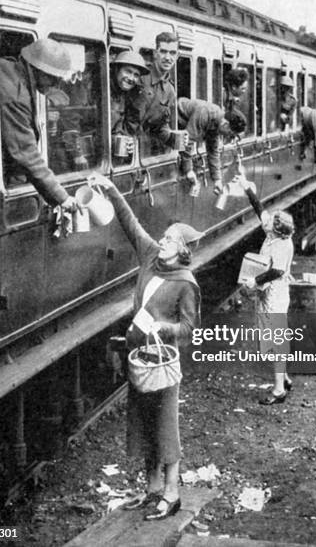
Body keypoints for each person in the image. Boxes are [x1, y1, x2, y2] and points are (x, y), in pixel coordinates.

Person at [91, 173, 201, 521]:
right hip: (139, 359)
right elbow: (130, 222)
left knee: (166, 427)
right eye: (164, 237)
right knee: (142, 424)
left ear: (182, 250)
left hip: (163, 366)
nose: (162, 241)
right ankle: (152, 488)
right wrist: (109, 188)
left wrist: (162, 327)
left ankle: (173, 493)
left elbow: (188, 330)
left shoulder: (186, 284)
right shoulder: (151, 255)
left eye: (170, 240)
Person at [236, 174, 294, 405]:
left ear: (278, 231)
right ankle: (285, 378)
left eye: (270, 223)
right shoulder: (274, 232)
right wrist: (247, 188)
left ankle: (279, 389)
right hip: (269, 292)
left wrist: (254, 281)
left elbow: (277, 272)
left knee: (276, 339)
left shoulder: (282, 245)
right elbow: (260, 210)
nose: (265, 222)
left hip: (276, 294)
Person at [0, 38, 77, 210]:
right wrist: (62, 198)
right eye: (52, 78)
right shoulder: (15, 95)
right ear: (35, 69)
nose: (56, 84)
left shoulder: (9, 69)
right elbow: (25, 153)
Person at [177, 98, 246, 194]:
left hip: (184, 126)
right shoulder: (205, 113)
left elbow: (213, 151)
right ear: (226, 124)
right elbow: (187, 139)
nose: (227, 136)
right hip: (174, 116)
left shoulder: (217, 123)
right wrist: (188, 170)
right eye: (230, 133)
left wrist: (217, 180)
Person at [140, 32, 178, 155]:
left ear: (177, 56)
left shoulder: (170, 90)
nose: (168, 57)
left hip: (146, 150)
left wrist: (172, 138)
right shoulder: (140, 77)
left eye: (172, 53)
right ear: (155, 53)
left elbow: (161, 126)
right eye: (163, 51)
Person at [109, 50, 150, 162]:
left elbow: (120, 128)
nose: (131, 78)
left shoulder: (126, 95)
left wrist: (127, 140)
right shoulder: (102, 90)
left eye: (136, 75)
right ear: (117, 70)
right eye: (128, 71)